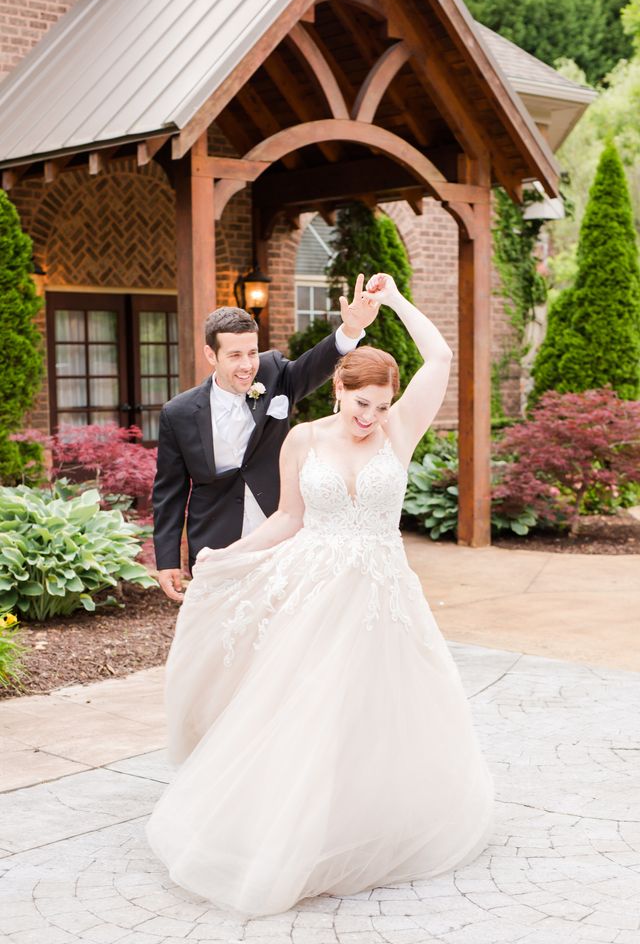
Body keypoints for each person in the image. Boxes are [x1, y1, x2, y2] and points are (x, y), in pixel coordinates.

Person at [146, 273, 494, 917]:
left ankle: (373, 823)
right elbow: (288, 519)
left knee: (382, 709)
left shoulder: (399, 432)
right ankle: (296, 832)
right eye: (361, 404)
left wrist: (393, 302)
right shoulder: (304, 438)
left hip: (384, 596)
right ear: (338, 390)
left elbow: (441, 356)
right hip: (316, 591)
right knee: (307, 710)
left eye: (381, 407)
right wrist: (226, 556)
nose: (369, 418)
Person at [152, 287, 377, 601]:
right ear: (211, 355)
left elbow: (313, 366)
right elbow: (169, 492)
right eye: (235, 355)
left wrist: (351, 330)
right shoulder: (178, 413)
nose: (247, 365)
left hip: (282, 530)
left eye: (252, 352)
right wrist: (166, 561)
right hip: (217, 540)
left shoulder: (273, 373)